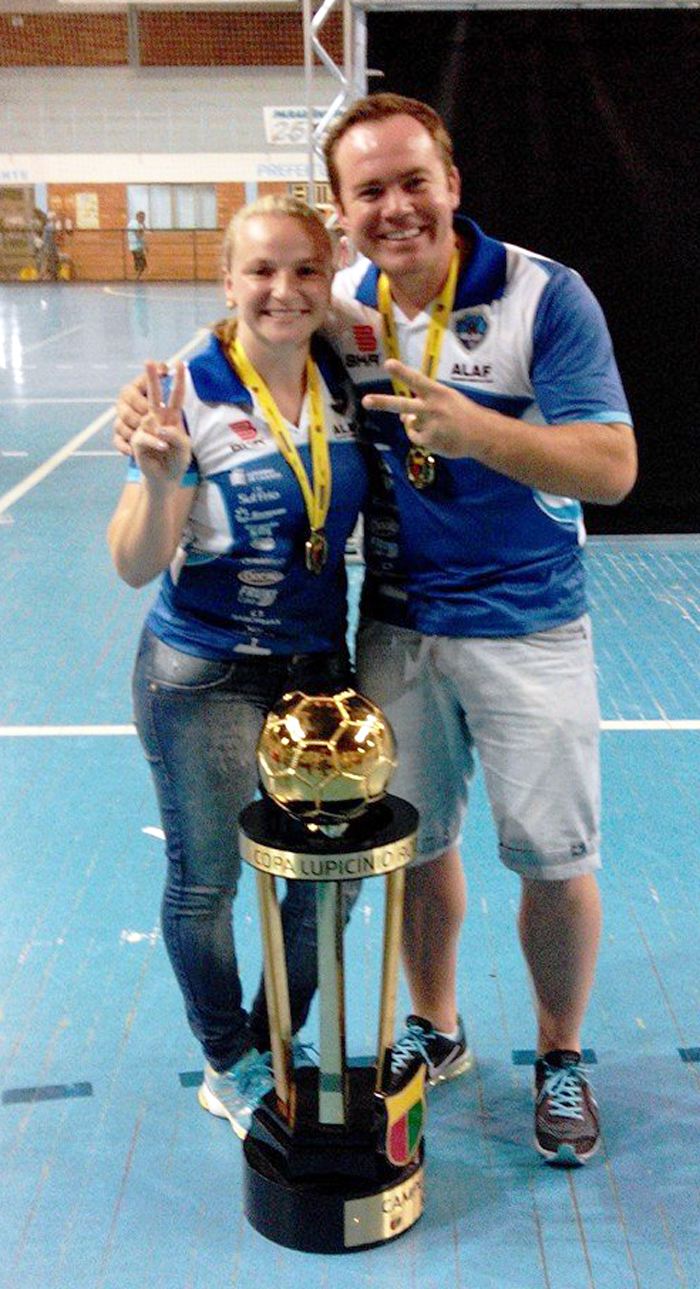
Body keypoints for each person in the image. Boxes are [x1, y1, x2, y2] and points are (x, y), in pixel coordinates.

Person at [114, 94, 637, 1166]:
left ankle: (559, 1054)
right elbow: (233, 357)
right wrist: (151, 438)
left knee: (551, 852)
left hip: (525, 622)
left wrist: (476, 430)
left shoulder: (545, 295)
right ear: (344, 213)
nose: (394, 208)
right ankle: (433, 1032)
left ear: (451, 183)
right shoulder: (336, 305)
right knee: (415, 845)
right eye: (368, 192)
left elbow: (613, 467)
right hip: (389, 625)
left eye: (412, 182)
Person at [108, 195, 368, 1139]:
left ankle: (276, 1036)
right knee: (208, 878)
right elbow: (136, 564)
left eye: (305, 269)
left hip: (319, 675)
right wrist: (158, 476)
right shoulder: (187, 389)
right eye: (260, 270)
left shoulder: (348, 372)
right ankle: (229, 1059)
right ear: (227, 281)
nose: (283, 290)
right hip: (203, 674)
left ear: (329, 276)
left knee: (325, 878)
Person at [127, 210, 147, 280]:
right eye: (142, 218)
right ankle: (137, 277)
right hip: (135, 246)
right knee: (140, 262)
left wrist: (145, 246)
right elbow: (138, 235)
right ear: (138, 217)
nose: (143, 220)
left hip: (138, 246)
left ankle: (138, 276)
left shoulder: (138, 224)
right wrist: (143, 229)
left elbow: (141, 236)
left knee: (141, 262)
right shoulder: (134, 224)